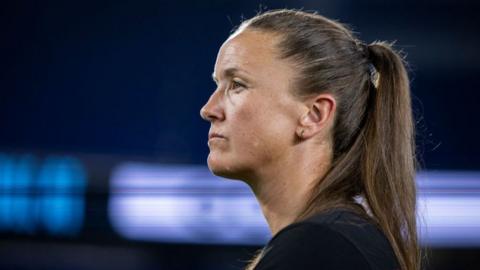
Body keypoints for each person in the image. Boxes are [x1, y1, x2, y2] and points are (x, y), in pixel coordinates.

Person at [200, 9, 420, 270]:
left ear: (314, 115)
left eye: (237, 84)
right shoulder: (336, 239)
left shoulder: (318, 249)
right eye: (217, 84)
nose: (208, 109)